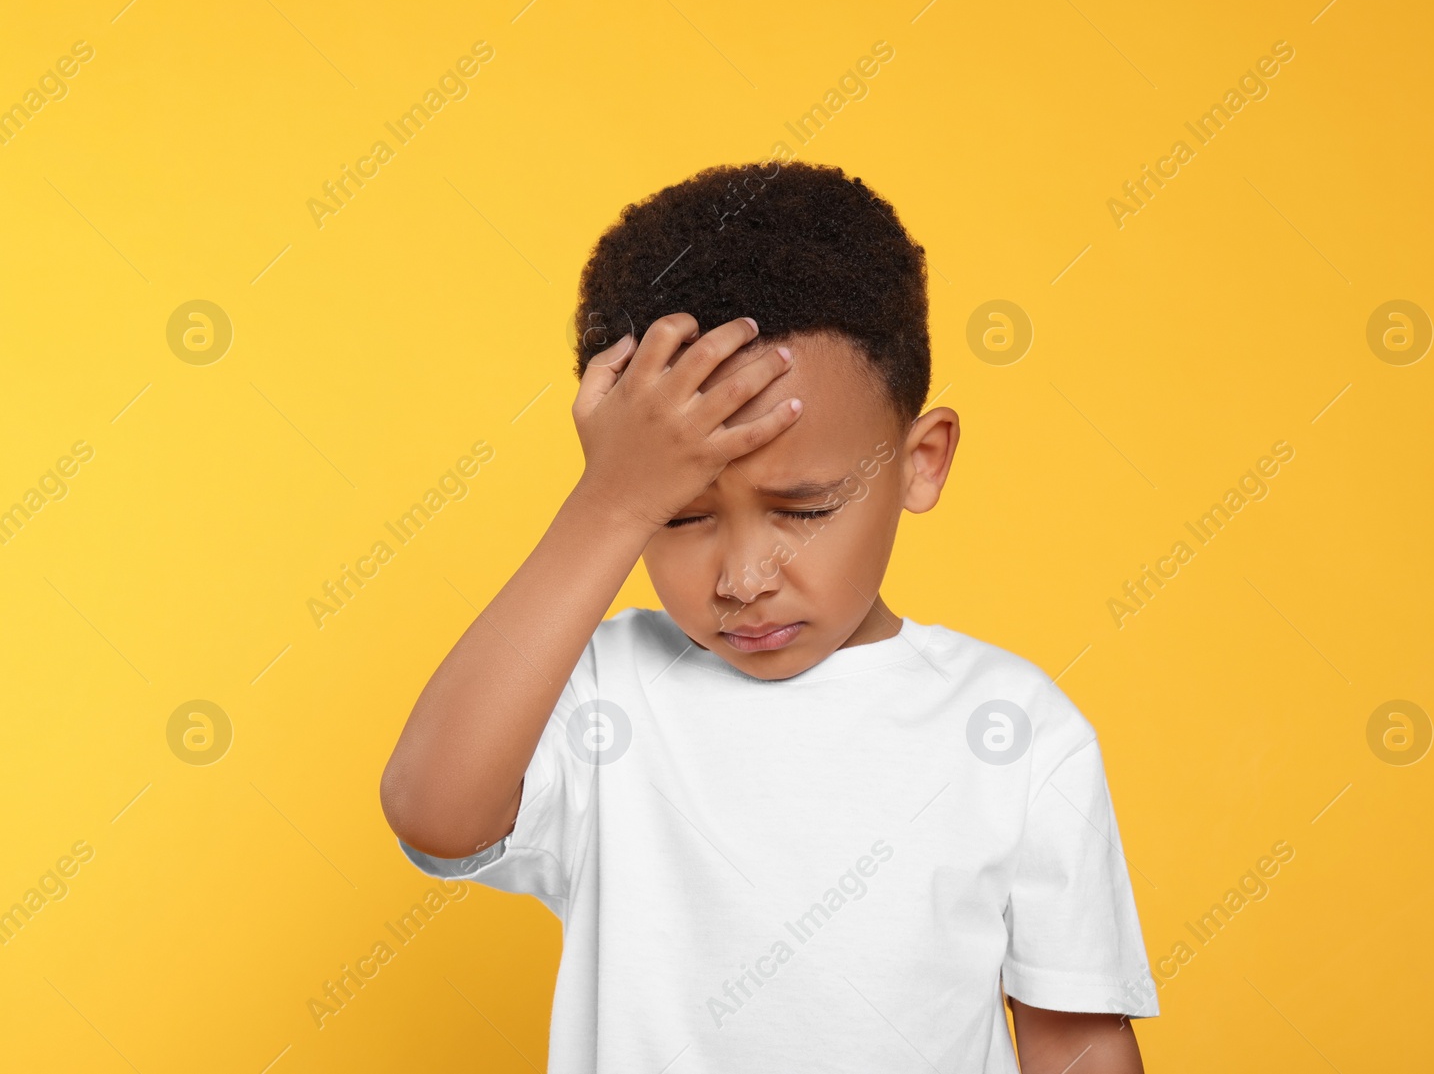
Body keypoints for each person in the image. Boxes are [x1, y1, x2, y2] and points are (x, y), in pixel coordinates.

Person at [380, 161, 1158, 1073]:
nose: (745, 577)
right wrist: (610, 501)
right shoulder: (610, 692)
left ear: (921, 461)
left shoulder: (1016, 729)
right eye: (681, 516)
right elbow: (433, 808)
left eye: (805, 508)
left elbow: (1075, 1039)